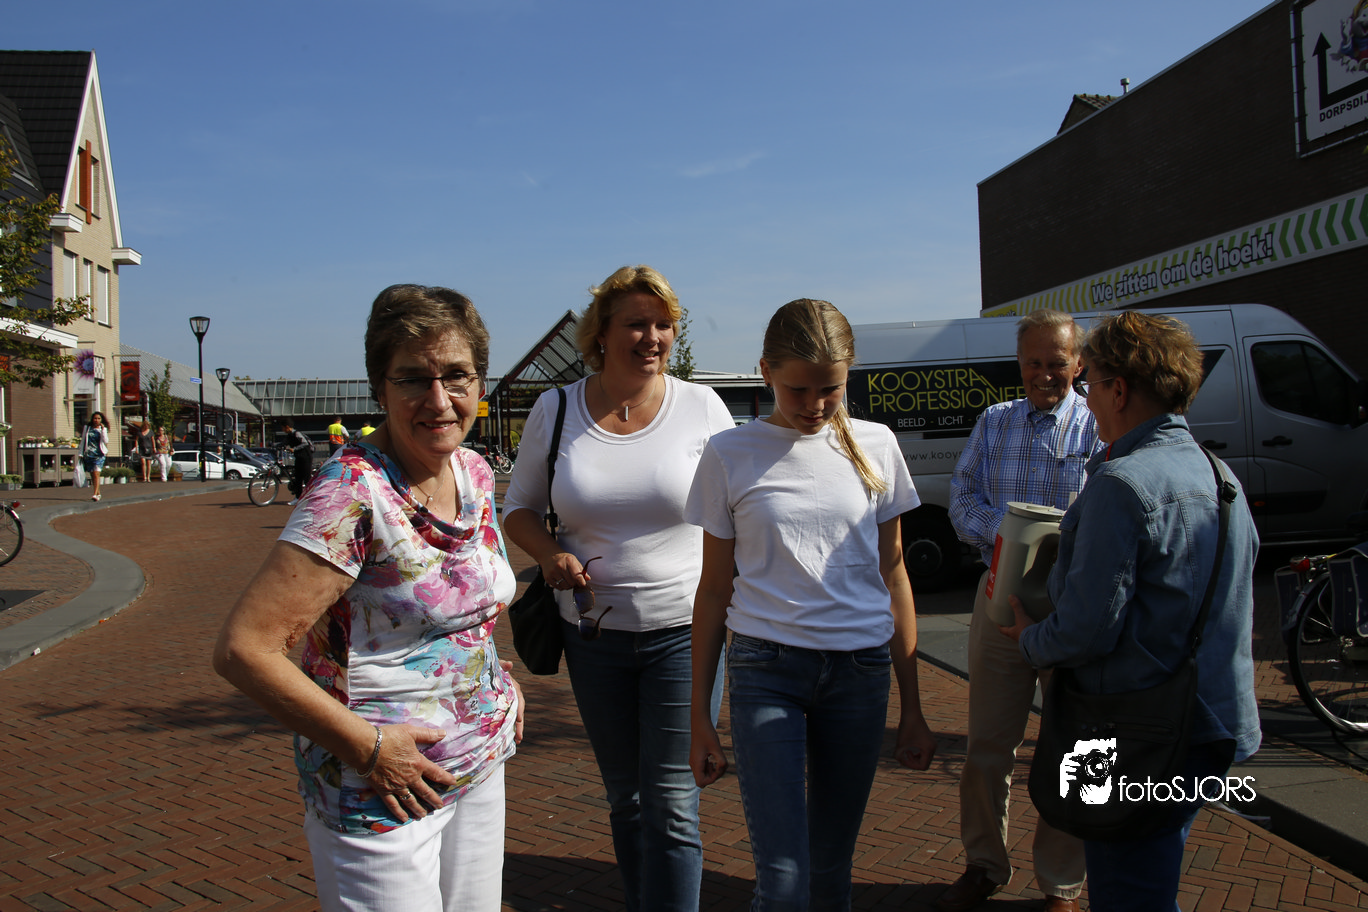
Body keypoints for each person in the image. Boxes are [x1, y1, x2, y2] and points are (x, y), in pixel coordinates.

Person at [213, 283, 524, 912]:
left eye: (457, 375)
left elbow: (466, 599)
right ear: (380, 389)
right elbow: (244, 650)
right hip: (383, 792)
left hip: (478, 761)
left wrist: (494, 679)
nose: (439, 399)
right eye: (412, 379)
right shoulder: (350, 492)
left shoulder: (472, 470)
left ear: (480, 384)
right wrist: (372, 749)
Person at [1000, 311, 1261, 911]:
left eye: (1090, 383)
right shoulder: (1220, 476)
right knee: (1154, 877)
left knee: (1129, 892)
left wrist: (1030, 638)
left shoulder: (1122, 484)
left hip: (1137, 730)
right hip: (1212, 722)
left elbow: (1085, 629)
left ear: (1118, 389)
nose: (1086, 399)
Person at [687, 298, 937, 910]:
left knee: (830, 872)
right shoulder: (729, 453)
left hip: (861, 672)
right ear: (766, 371)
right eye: (798, 389)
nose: (816, 404)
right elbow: (713, 589)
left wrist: (913, 707)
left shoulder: (877, 444)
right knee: (782, 880)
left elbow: (894, 574)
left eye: (831, 388)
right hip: (766, 669)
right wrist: (699, 716)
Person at [502, 265, 733, 912]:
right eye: (636, 323)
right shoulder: (556, 409)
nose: (652, 337)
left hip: (684, 633)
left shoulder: (702, 408)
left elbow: (738, 507)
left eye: (663, 324)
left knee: (673, 803)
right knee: (626, 800)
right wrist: (549, 554)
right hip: (592, 636)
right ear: (600, 333)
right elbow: (518, 508)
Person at [938, 309, 1099, 912]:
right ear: (1019, 362)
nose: (1044, 374)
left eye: (1056, 363)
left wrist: (1059, 544)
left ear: (1077, 364)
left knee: (1080, 747)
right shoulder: (995, 420)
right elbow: (961, 498)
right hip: (1000, 598)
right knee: (987, 744)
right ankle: (984, 864)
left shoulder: (1098, 425)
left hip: (1072, 604)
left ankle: (1062, 882)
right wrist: (1008, 538)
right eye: (1033, 362)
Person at [80, 411, 109, 502]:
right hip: (89, 454)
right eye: (95, 418)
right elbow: (83, 440)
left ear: (101, 420)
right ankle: (98, 493)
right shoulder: (87, 428)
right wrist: (81, 453)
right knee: (93, 474)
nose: (96, 420)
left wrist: (103, 430)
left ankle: (95, 494)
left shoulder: (103, 429)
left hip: (99, 454)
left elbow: (106, 440)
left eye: (99, 418)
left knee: (96, 473)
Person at [283, 420, 313, 505]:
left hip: (306, 457)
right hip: (299, 458)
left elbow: (305, 443)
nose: (282, 430)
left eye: (283, 428)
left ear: (287, 427)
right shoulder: (289, 436)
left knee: (307, 478)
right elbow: (284, 443)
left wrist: (294, 449)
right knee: (298, 478)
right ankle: (298, 498)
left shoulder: (297, 434)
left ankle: (310, 498)